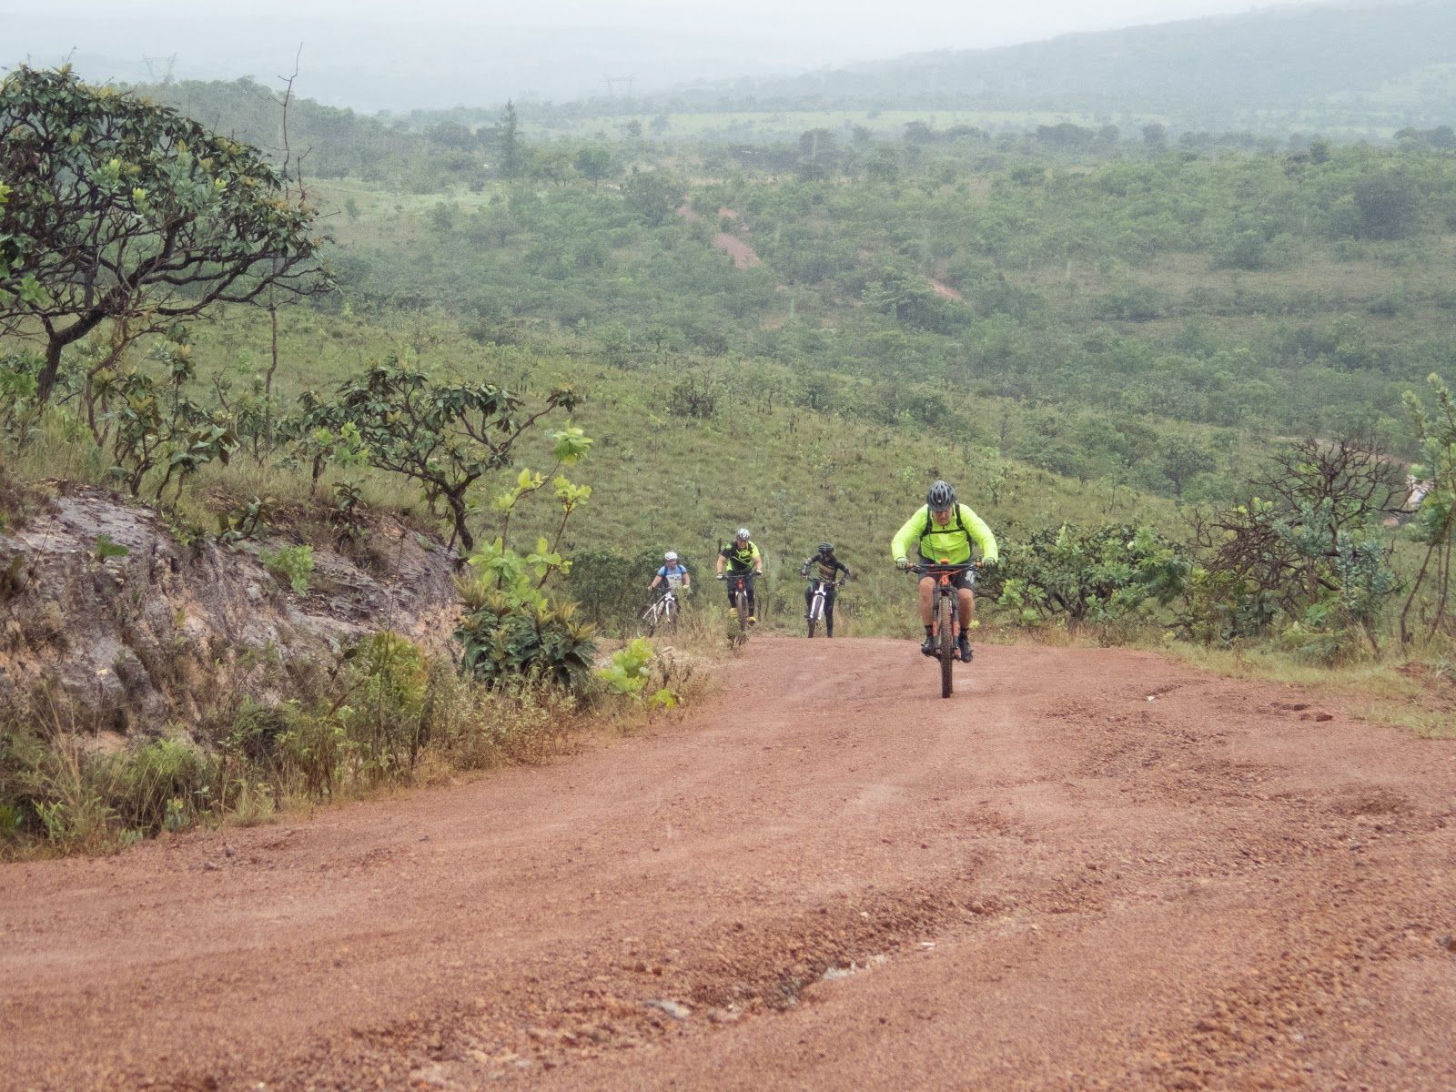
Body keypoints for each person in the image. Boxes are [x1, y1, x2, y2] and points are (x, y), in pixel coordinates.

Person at [890, 479, 998, 662]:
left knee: (965, 597)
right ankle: (930, 637)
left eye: (945, 510)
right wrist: (900, 557)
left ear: (953, 505)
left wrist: (990, 556)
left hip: (962, 563)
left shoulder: (964, 513)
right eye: (937, 511)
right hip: (931, 562)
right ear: (931, 508)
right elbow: (901, 538)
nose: (941, 516)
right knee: (926, 586)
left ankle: (963, 638)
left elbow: (985, 535)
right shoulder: (923, 516)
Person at [799, 542, 852, 637]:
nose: (824, 557)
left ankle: (829, 635)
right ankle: (809, 609)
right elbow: (808, 562)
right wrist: (804, 570)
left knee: (829, 610)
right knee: (808, 590)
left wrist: (843, 581)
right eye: (822, 554)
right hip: (818, 581)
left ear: (831, 553)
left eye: (827, 554)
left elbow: (847, 571)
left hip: (830, 585)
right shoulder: (818, 557)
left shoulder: (835, 562)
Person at [716, 527, 763, 623]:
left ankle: (751, 615)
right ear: (737, 539)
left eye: (744, 541)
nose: (742, 543)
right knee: (731, 591)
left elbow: (758, 561)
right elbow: (721, 561)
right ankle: (733, 607)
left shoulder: (751, 546)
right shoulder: (730, 546)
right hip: (733, 570)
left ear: (747, 540)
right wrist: (719, 573)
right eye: (740, 540)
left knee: (750, 590)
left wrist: (758, 569)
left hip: (747, 571)